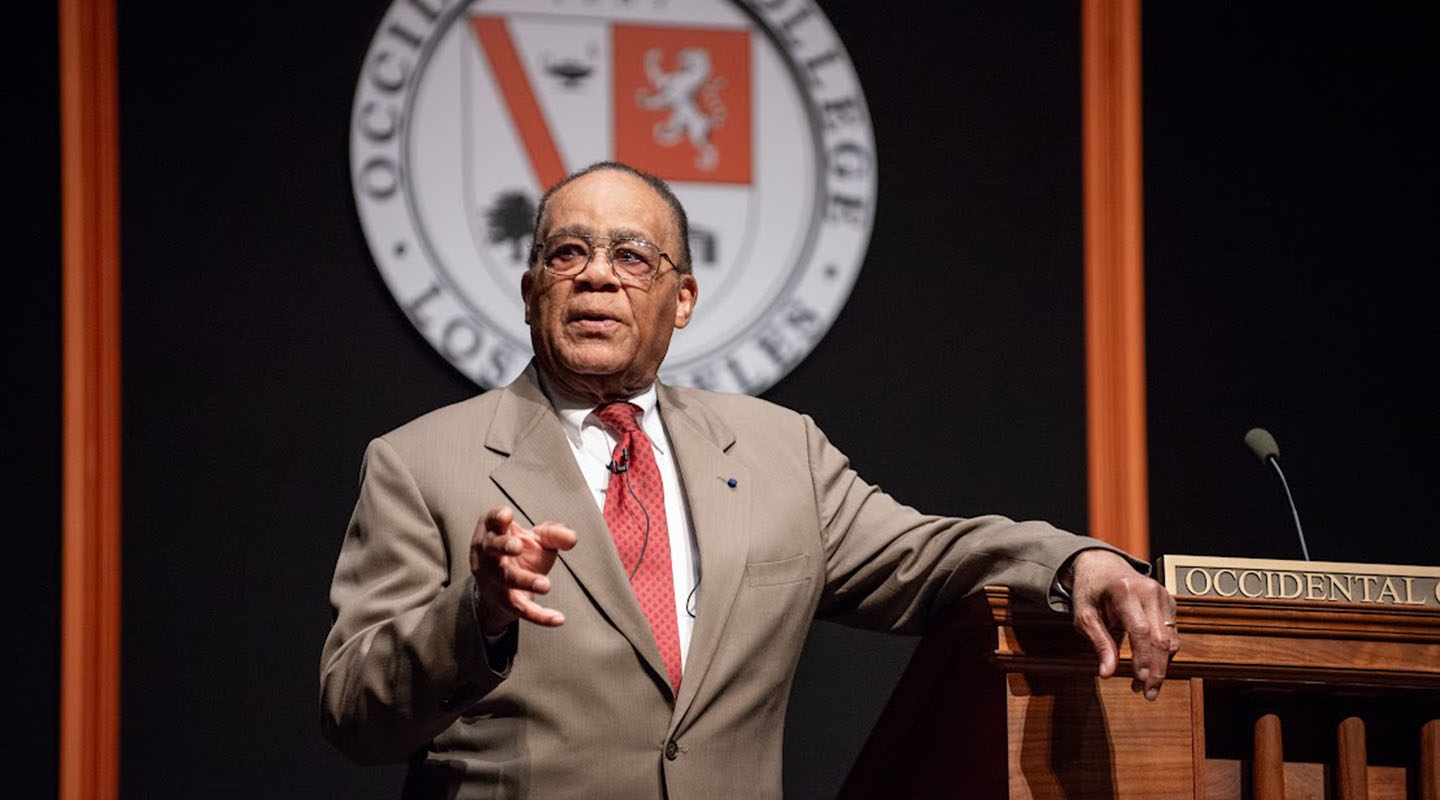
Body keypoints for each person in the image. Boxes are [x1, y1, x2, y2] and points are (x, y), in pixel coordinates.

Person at [319, 161, 1179, 799]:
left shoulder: (778, 451)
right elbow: (354, 712)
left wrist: (1076, 564)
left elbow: (931, 555)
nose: (595, 275)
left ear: (682, 298)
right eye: (567, 253)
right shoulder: (422, 462)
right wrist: (478, 615)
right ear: (529, 287)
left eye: (632, 256)